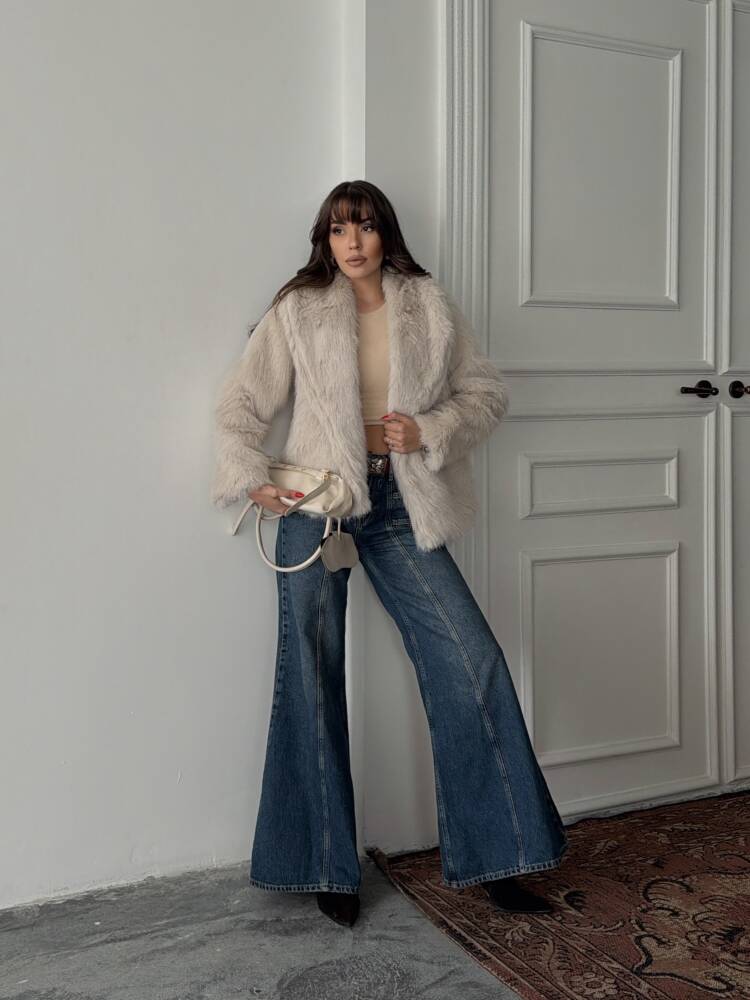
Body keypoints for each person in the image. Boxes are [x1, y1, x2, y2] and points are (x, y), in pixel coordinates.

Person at [211, 180, 569, 928]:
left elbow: (487, 393)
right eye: (339, 229)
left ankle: (500, 857)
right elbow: (241, 403)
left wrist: (429, 429)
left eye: (366, 227)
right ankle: (323, 863)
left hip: (404, 505)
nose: (353, 242)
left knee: (470, 659)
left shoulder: (428, 306)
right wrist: (250, 478)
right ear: (325, 239)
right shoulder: (299, 309)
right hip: (318, 505)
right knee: (309, 673)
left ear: (385, 235)